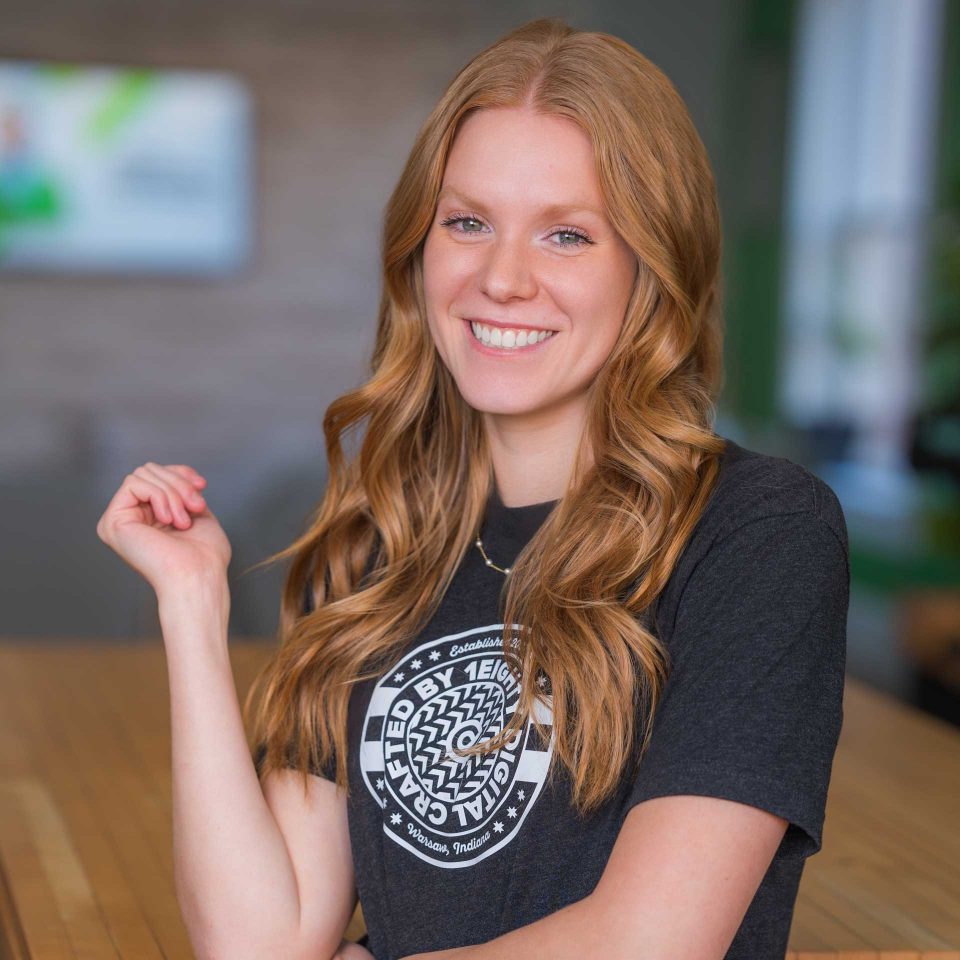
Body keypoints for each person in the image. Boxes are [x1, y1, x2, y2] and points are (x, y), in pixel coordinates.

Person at [96, 17, 849, 960]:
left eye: (567, 235)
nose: (502, 278)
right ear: (420, 249)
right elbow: (262, 942)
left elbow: (651, 942)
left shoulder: (755, 531)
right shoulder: (379, 545)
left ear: (651, 269)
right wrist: (191, 603)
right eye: (468, 222)